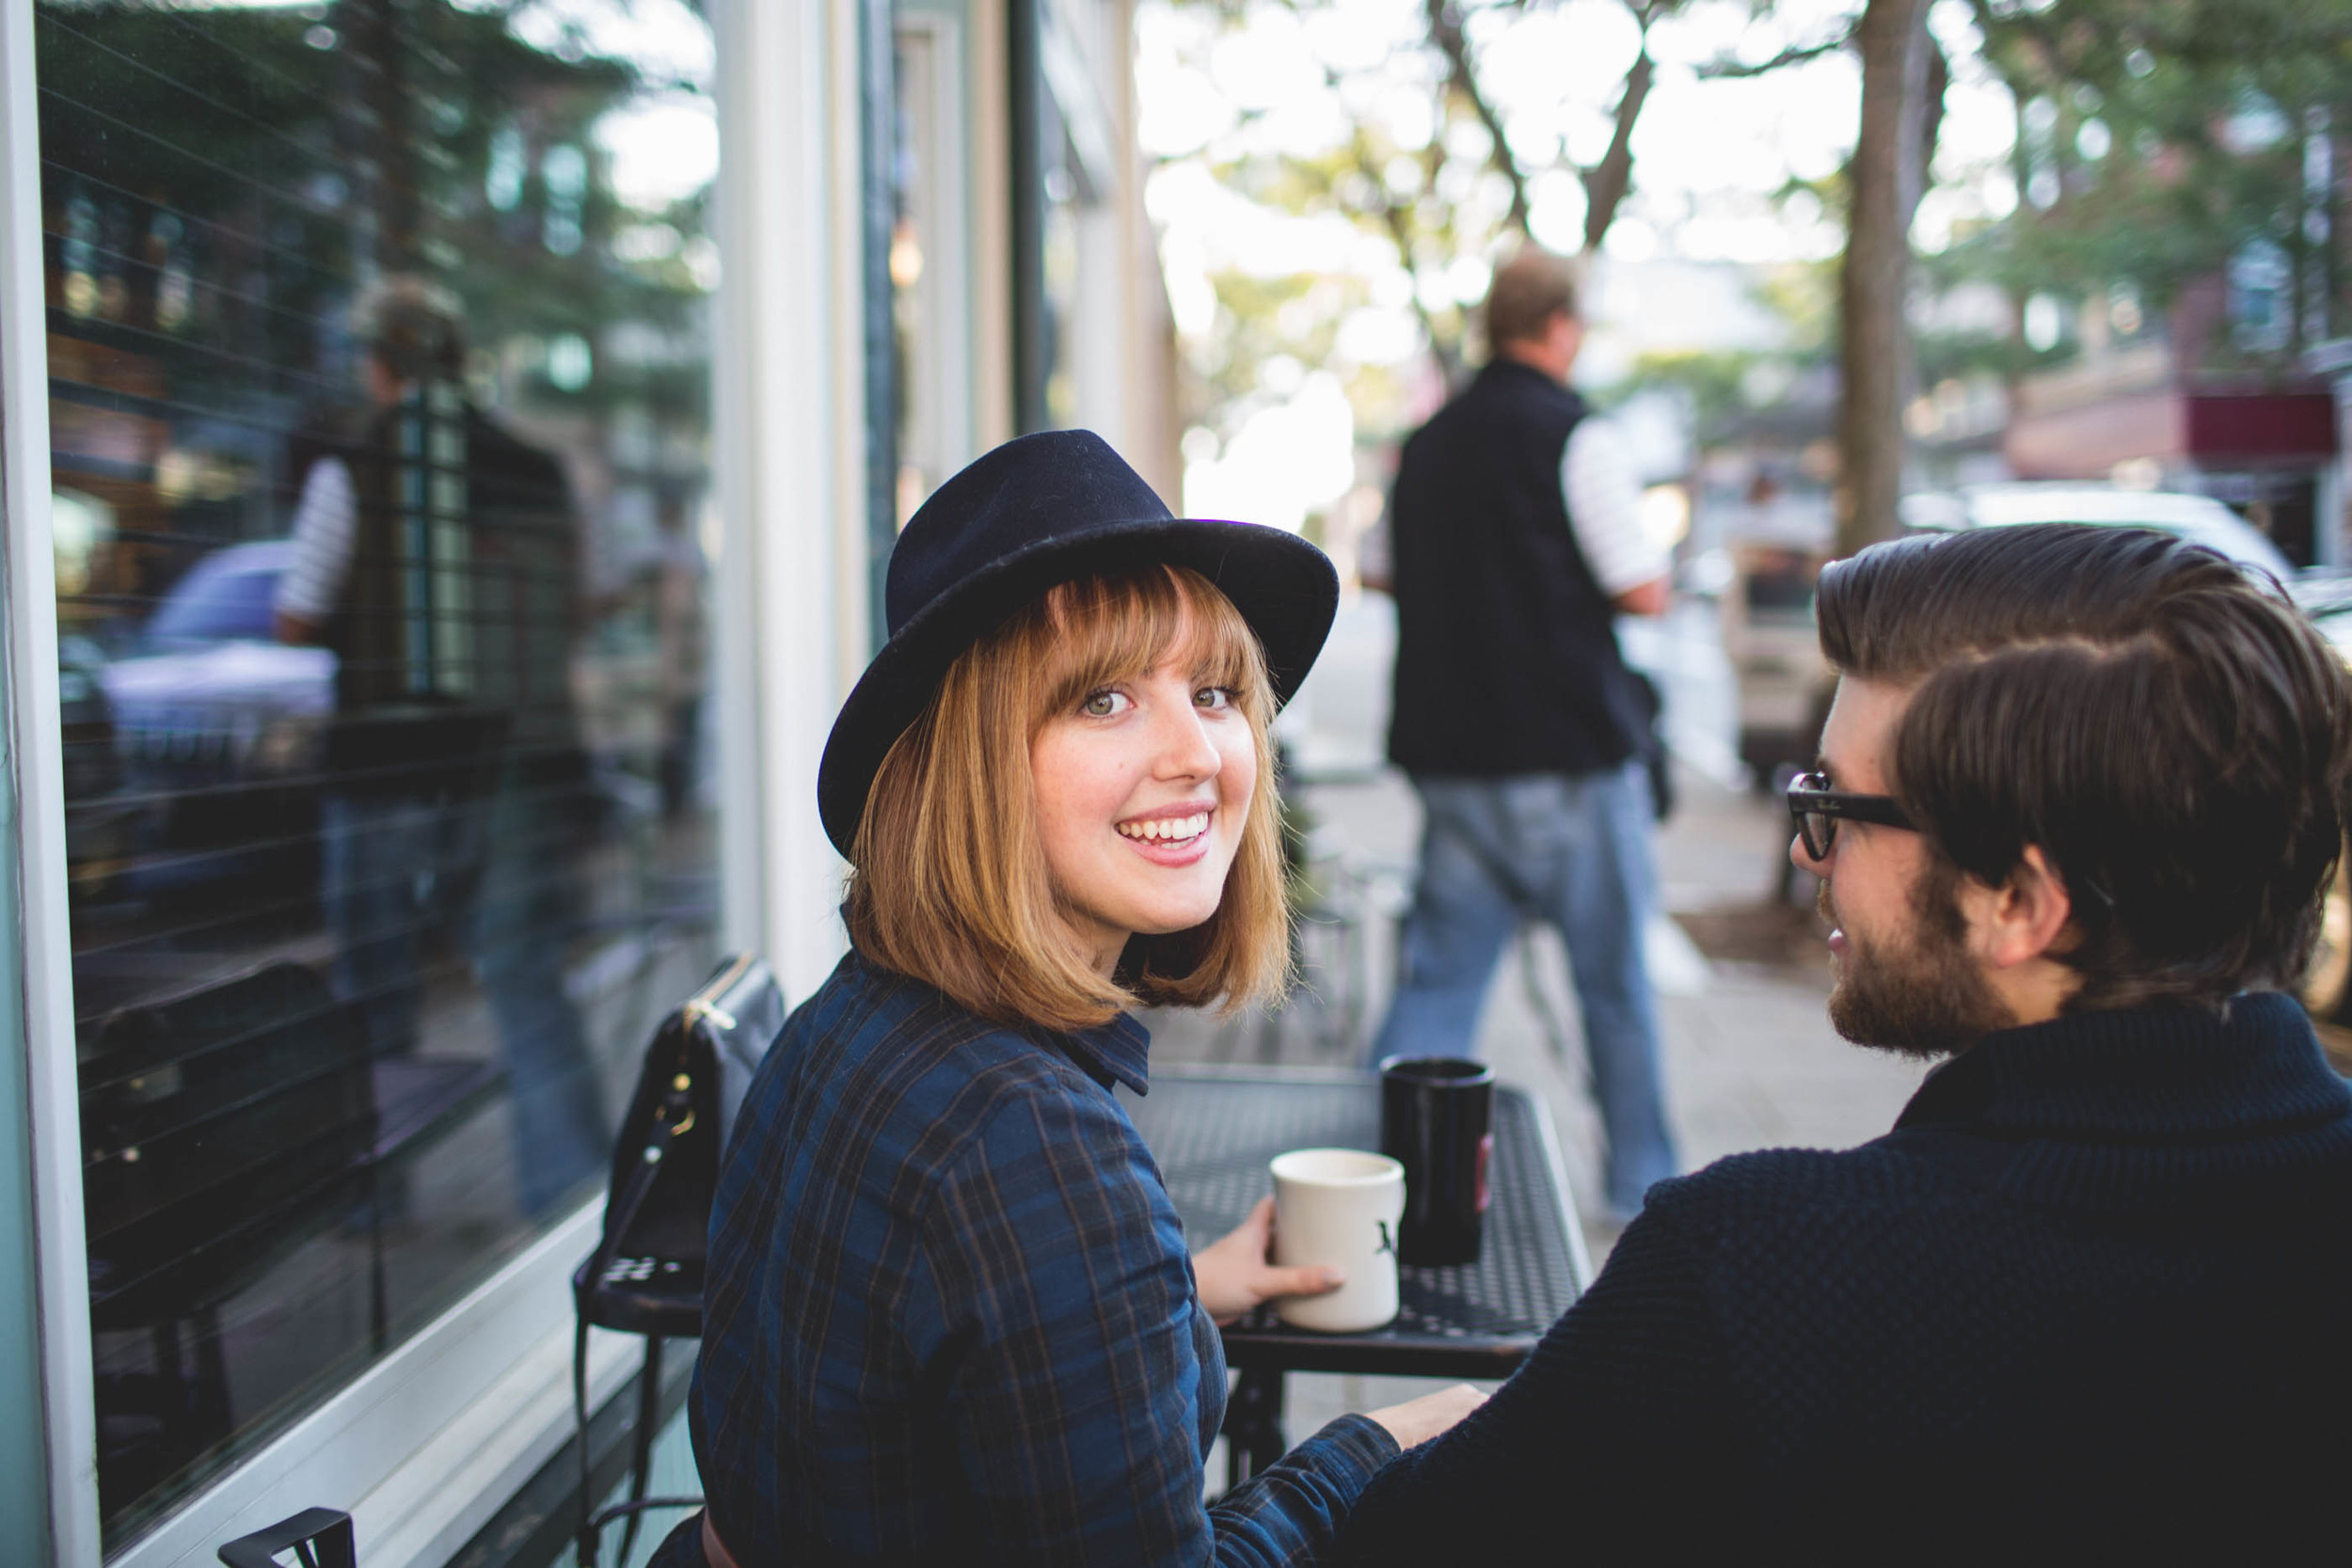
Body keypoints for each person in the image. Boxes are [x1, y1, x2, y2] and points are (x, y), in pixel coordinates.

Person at [1327, 523, 2352, 1561]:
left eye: (1832, 805)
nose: (1803, 848)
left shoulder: (1757, 1269)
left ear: (2018, 900)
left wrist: (1343, 1457)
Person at [660, 431, 1482, 1568]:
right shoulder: (1036, 1149)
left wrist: (1172, 1295)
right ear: (969, 761)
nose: (1197, 751)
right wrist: (1375, 1449)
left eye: (1212, 691)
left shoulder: (850, 1017)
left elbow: (917, 1357)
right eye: (1102, 699)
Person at [275, 277, 607, 1218]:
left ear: (380, 367)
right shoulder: (533, 468)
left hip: (383, 763)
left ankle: (377, 1206)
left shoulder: (353, 466)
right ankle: (571, 1193)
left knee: (377, 984)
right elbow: (570, 608)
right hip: (507, 761)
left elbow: (297, 611)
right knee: (524, 977)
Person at [1371, 246, 1677, 1224]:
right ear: (1559, 328)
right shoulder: (1576, 435)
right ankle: (1642, 1190)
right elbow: (1640, 584)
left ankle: (1378, 1181)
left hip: (1450, 761)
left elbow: (1377, 568)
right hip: (1566, 758)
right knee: (1613, 989)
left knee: (1437, 988)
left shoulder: (1425, 443)